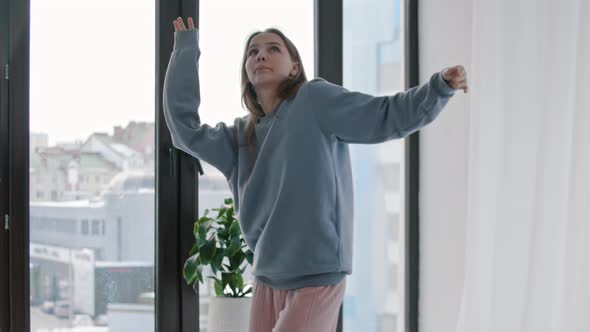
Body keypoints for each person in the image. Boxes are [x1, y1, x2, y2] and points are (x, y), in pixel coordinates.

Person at [164, 17, 468, 332]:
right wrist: (185, 49)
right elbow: (184, 131)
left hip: (317, 277)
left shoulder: (313, 99)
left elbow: (383, 116)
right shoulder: (241, 136)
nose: (260, 56)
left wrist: (438, 88)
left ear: (294, 67)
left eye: (273, 49)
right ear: (247, 72)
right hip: (267, 278)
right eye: (252, 52)